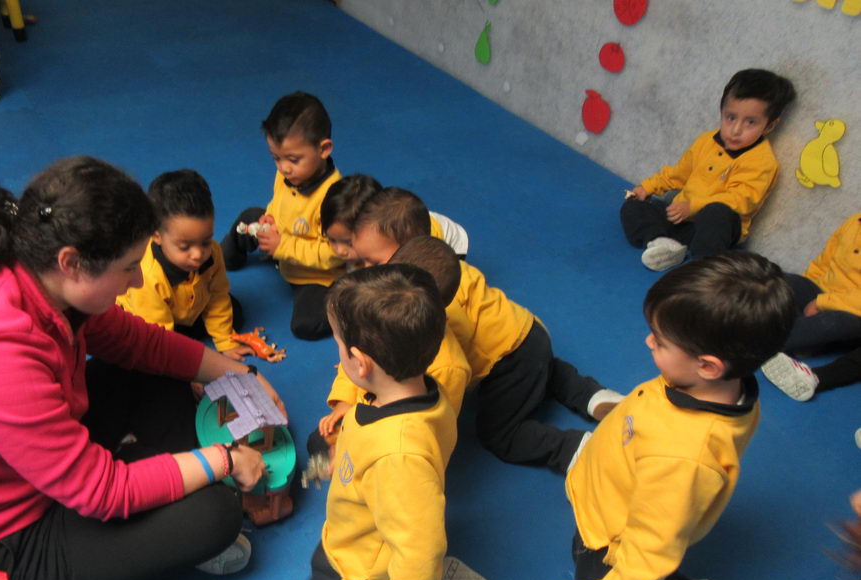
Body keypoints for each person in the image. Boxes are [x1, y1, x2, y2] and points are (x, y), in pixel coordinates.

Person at [0, 156, 285, 580]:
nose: (137, 280)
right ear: (71, 263)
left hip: (32, 472)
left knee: (163, 375)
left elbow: (138, 341)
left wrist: (237, 374)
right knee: (215, 516)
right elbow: (101, 491)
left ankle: (156, 482)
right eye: (129, 267)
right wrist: (223, 461)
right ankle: (164, 498)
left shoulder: (40, 279)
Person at [563, 251, 795, 580]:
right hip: (624, 496)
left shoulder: (681, 456)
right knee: (652, 576)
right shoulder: (725, 387)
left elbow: (652, 543)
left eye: (660, 341)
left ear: (709, 364)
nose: (648, 341)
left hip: (612, 537)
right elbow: (658, 417)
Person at [304, 265, 500, 580]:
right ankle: (426, 578)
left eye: (338, 346)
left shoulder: (398, 454)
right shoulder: (423, 389)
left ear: (361, 363)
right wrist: (340, 462)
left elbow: (419, 540)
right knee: (413, 542)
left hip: (364, 556)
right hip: (392, 515)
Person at [353, 188, 623, 474]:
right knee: (544, 369)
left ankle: (574, 447)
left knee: (502, 436)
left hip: (507, 360)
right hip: (527, 330)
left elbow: (450, 382)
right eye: (362, 262)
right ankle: (591, 395)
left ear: (409, 249)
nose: (365, 271)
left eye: (374, 262)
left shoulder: (425, 308)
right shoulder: (445, 268)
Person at [620, 69, 796, 271]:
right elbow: (679, 174)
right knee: (632, 206)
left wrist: (694, 206)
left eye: (751, 122)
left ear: (769, 126)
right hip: (680, 218)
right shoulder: (706, 141)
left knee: (717, 213)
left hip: (714, 228)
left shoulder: (762, 161)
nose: (736, 130)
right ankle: (661, 244)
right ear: (721, 111)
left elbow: (741, 201)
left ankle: (702, 265)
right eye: (730, 117)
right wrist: (648, 187)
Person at [317, 238, 471, 444]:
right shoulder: (380, 322)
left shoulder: (449, 369)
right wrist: (344, 400)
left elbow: (431, 435)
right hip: (373, 406)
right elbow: (353, 363)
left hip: (394, 438)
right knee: (320, 440)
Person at [220, 91, 343, 340]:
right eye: (276, 158)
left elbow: (333, 255)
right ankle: (224, 258)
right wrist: (270, 220)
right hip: (281, 250)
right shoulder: (289, 174)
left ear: (324, 149)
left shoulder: (334, 199)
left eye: (293, 159)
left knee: (305, 326)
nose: (284, 168)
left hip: (315, 275)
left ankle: (347, 301)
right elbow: (278, 202)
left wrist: (283, 245)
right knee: (250, 217)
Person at [117, 169, 249, 360]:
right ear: (156, 235)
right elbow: (158, 333)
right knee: (135, 343)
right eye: (184, 247)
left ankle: (185, 334)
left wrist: (225, 342)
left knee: (234, 312)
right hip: (146, 318)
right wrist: (184, 369)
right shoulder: (148, 276)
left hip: (185, 309)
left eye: (205, 241)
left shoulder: (213, 252)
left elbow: (218, 294)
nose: (198, 255)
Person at [761, 212, 861, 399]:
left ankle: (755, 342)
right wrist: (804, 293)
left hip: (852, 311)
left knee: (834, 322)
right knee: (782, 281)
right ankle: (806, 343)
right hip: (823, 293)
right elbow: (823, 263)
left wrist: (822, 303)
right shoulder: (854, 220)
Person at [321, 175, 469, 271]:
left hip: (454, 248)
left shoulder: (417, 250)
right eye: (332, 240)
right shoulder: (373, 237)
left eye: (349, 243)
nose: (340, 251)